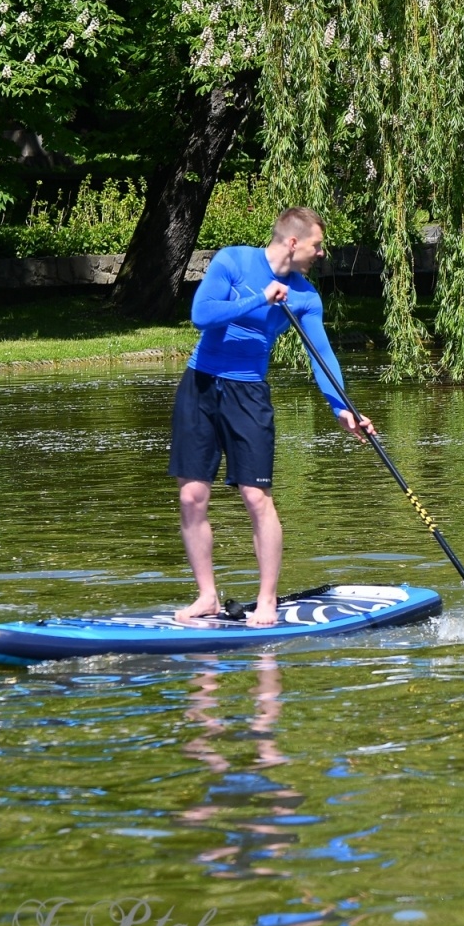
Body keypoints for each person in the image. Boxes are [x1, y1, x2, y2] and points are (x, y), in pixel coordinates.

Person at [169, 207, 373, 626]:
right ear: (294, 242)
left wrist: (342, 408)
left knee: (255, 497)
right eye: (317, 245)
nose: (321, 253)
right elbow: (201, 315)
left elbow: (322, 357)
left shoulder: (305, 297)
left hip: (248, 394)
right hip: (200, 384)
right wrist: (259, 298)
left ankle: (267, 600)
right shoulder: (233, 260)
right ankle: (206, 596)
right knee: (191, 496)